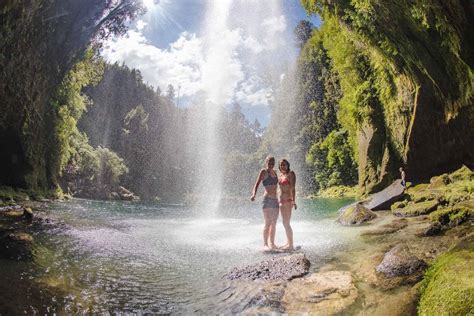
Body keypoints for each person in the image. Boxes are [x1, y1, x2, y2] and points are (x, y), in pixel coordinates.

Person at [251, 156, 279, 251]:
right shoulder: (263, 172)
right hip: (267, 199)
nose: (271, 165)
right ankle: (265, 244)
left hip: (275, 200)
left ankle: (272, 243)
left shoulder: (275, 172)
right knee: (268, 222)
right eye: (269, 163)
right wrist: (254, 194)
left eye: (272, 163)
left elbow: (277, 186)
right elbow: (257, 184)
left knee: (274, 223)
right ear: (266, 162)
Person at [278, 159, 297, 251]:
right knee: (284, 223)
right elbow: (279, 189)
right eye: (281, 165)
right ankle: (288, 242)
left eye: (284, 164)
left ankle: (291, 245)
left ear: (287, 165)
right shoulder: (281, 175)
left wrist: (294, 200)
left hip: (288, 200)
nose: (283, 166)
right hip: (281, 201)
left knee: (287, 223)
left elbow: (293, 188)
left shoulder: (291, 174)